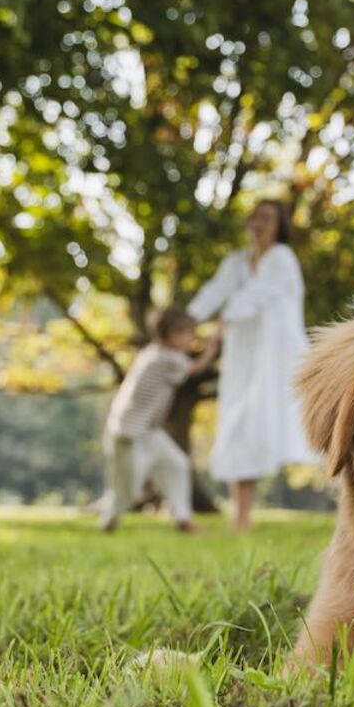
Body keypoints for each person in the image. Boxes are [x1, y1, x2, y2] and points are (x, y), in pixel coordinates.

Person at [187, 199, 320, 531]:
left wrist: (221, 323)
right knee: (237, 428)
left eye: (268, 218)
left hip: (278, 360)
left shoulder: (282, 260)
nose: (259, 223)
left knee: (306, 426)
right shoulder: (236, 263)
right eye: (256, 217)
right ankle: (241, 518)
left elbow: (257, 296)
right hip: (242, 359)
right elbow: (214, 292)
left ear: (279, 226)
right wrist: (185, 323)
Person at [99, 307, 219, 533]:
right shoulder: (167, 359)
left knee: (177, 465)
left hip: (147, 430)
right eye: (187, 334)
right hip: (129, 432)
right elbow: (194, 369)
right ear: (171, 336)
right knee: (128, 486)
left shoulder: (152, 352)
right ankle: (108, 521)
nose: (192, 339)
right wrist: (210, 349)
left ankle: (183, 520)